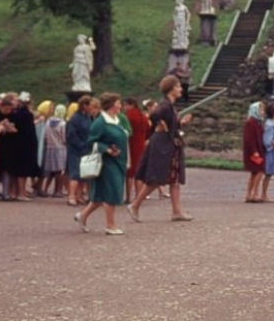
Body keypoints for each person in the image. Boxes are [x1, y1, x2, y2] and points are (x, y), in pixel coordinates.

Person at [128, 75, 193, 222]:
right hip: (163, 144)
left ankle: (177, 211)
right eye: (178, 86)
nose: (180, 89)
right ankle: (135, 205)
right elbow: (154, 115)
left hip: (169, 144)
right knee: (157, 177)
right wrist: (159, 124)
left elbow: (170, 125)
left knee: (174, 178)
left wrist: (181, 123)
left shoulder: (169, 105)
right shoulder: (165, 105)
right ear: (171, 88)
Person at [74, 93, 128, 235]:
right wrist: (107, 149)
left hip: (118, 160)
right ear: (111, 104)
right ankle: (110, 225)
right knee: (112, 190)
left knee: (99, 195)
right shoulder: (100, 122)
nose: (120, 105)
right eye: (118, 103)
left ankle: (83, 216)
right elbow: (91, 141)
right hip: (106, 162)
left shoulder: (117, 120)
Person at [66, 96, 93, 206]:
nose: (92, 107)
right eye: (90, 105)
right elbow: (71, 135)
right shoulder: (75, 118)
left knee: (83, 174)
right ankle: (71, 196)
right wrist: (81, 145)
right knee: (75, 173)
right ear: (84, 105)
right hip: (76, 150)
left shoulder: (88, 117)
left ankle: (79, 195)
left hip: (86, 149)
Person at [124, 98, 148, 204]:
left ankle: (128, 197)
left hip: (131, 145)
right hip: (141, 145)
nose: (124, 107)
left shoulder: (129, 116)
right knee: (138, 172)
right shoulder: (143, 116)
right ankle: (138, 196)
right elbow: (148, 129)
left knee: (130, 172)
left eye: (125, 105)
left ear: (131, 105)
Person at [41, 104, 67, 198]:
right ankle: (57, 191)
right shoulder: (63, 123)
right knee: (59, 171)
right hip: (60, 148)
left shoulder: (48, 122)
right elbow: (64, 138)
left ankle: (44, 189)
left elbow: (44, 136)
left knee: (50, 171)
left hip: (50, 148)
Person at [242, 101, 266, 203]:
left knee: (254, 172)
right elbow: (249, 139)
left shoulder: (258, 122)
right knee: (260, 170)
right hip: (253, 151)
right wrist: (254, 151)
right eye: (261, 109)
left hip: (258, 149)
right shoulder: (250, 122)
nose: (263, 112)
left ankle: (249, 194)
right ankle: (254, 193)